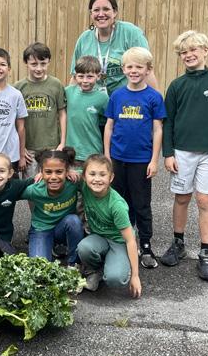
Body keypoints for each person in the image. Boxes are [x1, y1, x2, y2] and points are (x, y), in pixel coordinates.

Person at [160, 31, 208, 281]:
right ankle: (178, 243)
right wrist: (168, 153)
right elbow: (168, 122)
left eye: (193, 50)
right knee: (182, 198)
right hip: (182, 152)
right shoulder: (177, 85)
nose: (188, 55)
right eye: (183, 52)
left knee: (204, 201)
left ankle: (206, 252)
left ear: (205, 51)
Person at [104, 47, 166, 268]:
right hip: (118, 159)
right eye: (129, 66)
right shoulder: (117, 95)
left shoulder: (154, 97)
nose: (134, 71)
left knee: (141, 205)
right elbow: (109, 126)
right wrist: (107, 155)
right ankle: (122, 240)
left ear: (148, 70)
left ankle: (146, 246)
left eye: (139, 67)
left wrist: (154, 160)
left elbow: (157, 130)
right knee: (120, 203)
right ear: (123, 69)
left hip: (141, 161)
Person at [70, 0, 157, 96]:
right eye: (96, 10)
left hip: (126, 101)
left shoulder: (131, 33)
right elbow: (75, 76)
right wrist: (70, 102)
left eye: (106, 9)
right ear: (91, 14)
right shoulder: (84, 39)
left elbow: (147, 72)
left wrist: (155, 102)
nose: (101, 14)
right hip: (93, 101)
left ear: (115, 12)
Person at [77, 154, 141, 298]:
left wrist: (135, 276)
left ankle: (122, 264)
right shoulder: (84, 185)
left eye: (102, 175)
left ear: (111, 178)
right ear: (84, 176)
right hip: (99, 237)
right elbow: (65, 173)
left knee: (115, 279)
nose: (97, 179)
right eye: (92, 174)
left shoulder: (117, 205)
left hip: (119, 241)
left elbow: (130, 240)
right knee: (84, 248)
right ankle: (95, 270)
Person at [23, 148, 84, 265]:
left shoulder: (73, 181)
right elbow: (12, 191)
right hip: (41, 229)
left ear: (67, 171)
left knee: (74, 221)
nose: (54, 177)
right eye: (48, 172)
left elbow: (93, 174)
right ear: (41, 172)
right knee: (39, 266)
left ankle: (74, 263)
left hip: (64, 227)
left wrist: (72, 171)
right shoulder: (35, 189)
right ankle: (48, 245)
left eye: (59, 172)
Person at [14, 42, 66, 179]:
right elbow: (14, 120)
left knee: (51, 181)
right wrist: (21, 148)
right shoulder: (18, 87)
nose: (39, 68)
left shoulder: (56, 84)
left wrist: (62, 142)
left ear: (49, 62)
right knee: (32, 185)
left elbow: (62, 113)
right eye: (34, 64)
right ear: (26, 63)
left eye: (43, 64)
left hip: (51, 146)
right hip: (29, 149)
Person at [65, 55, 109, 165]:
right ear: (75, 76)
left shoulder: (103, 98)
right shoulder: (67, 92)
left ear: (98, 76)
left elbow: (108, 124)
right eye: (81, 76)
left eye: (89, 77)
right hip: (70, 151)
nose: (85, 81)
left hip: (92, 151)